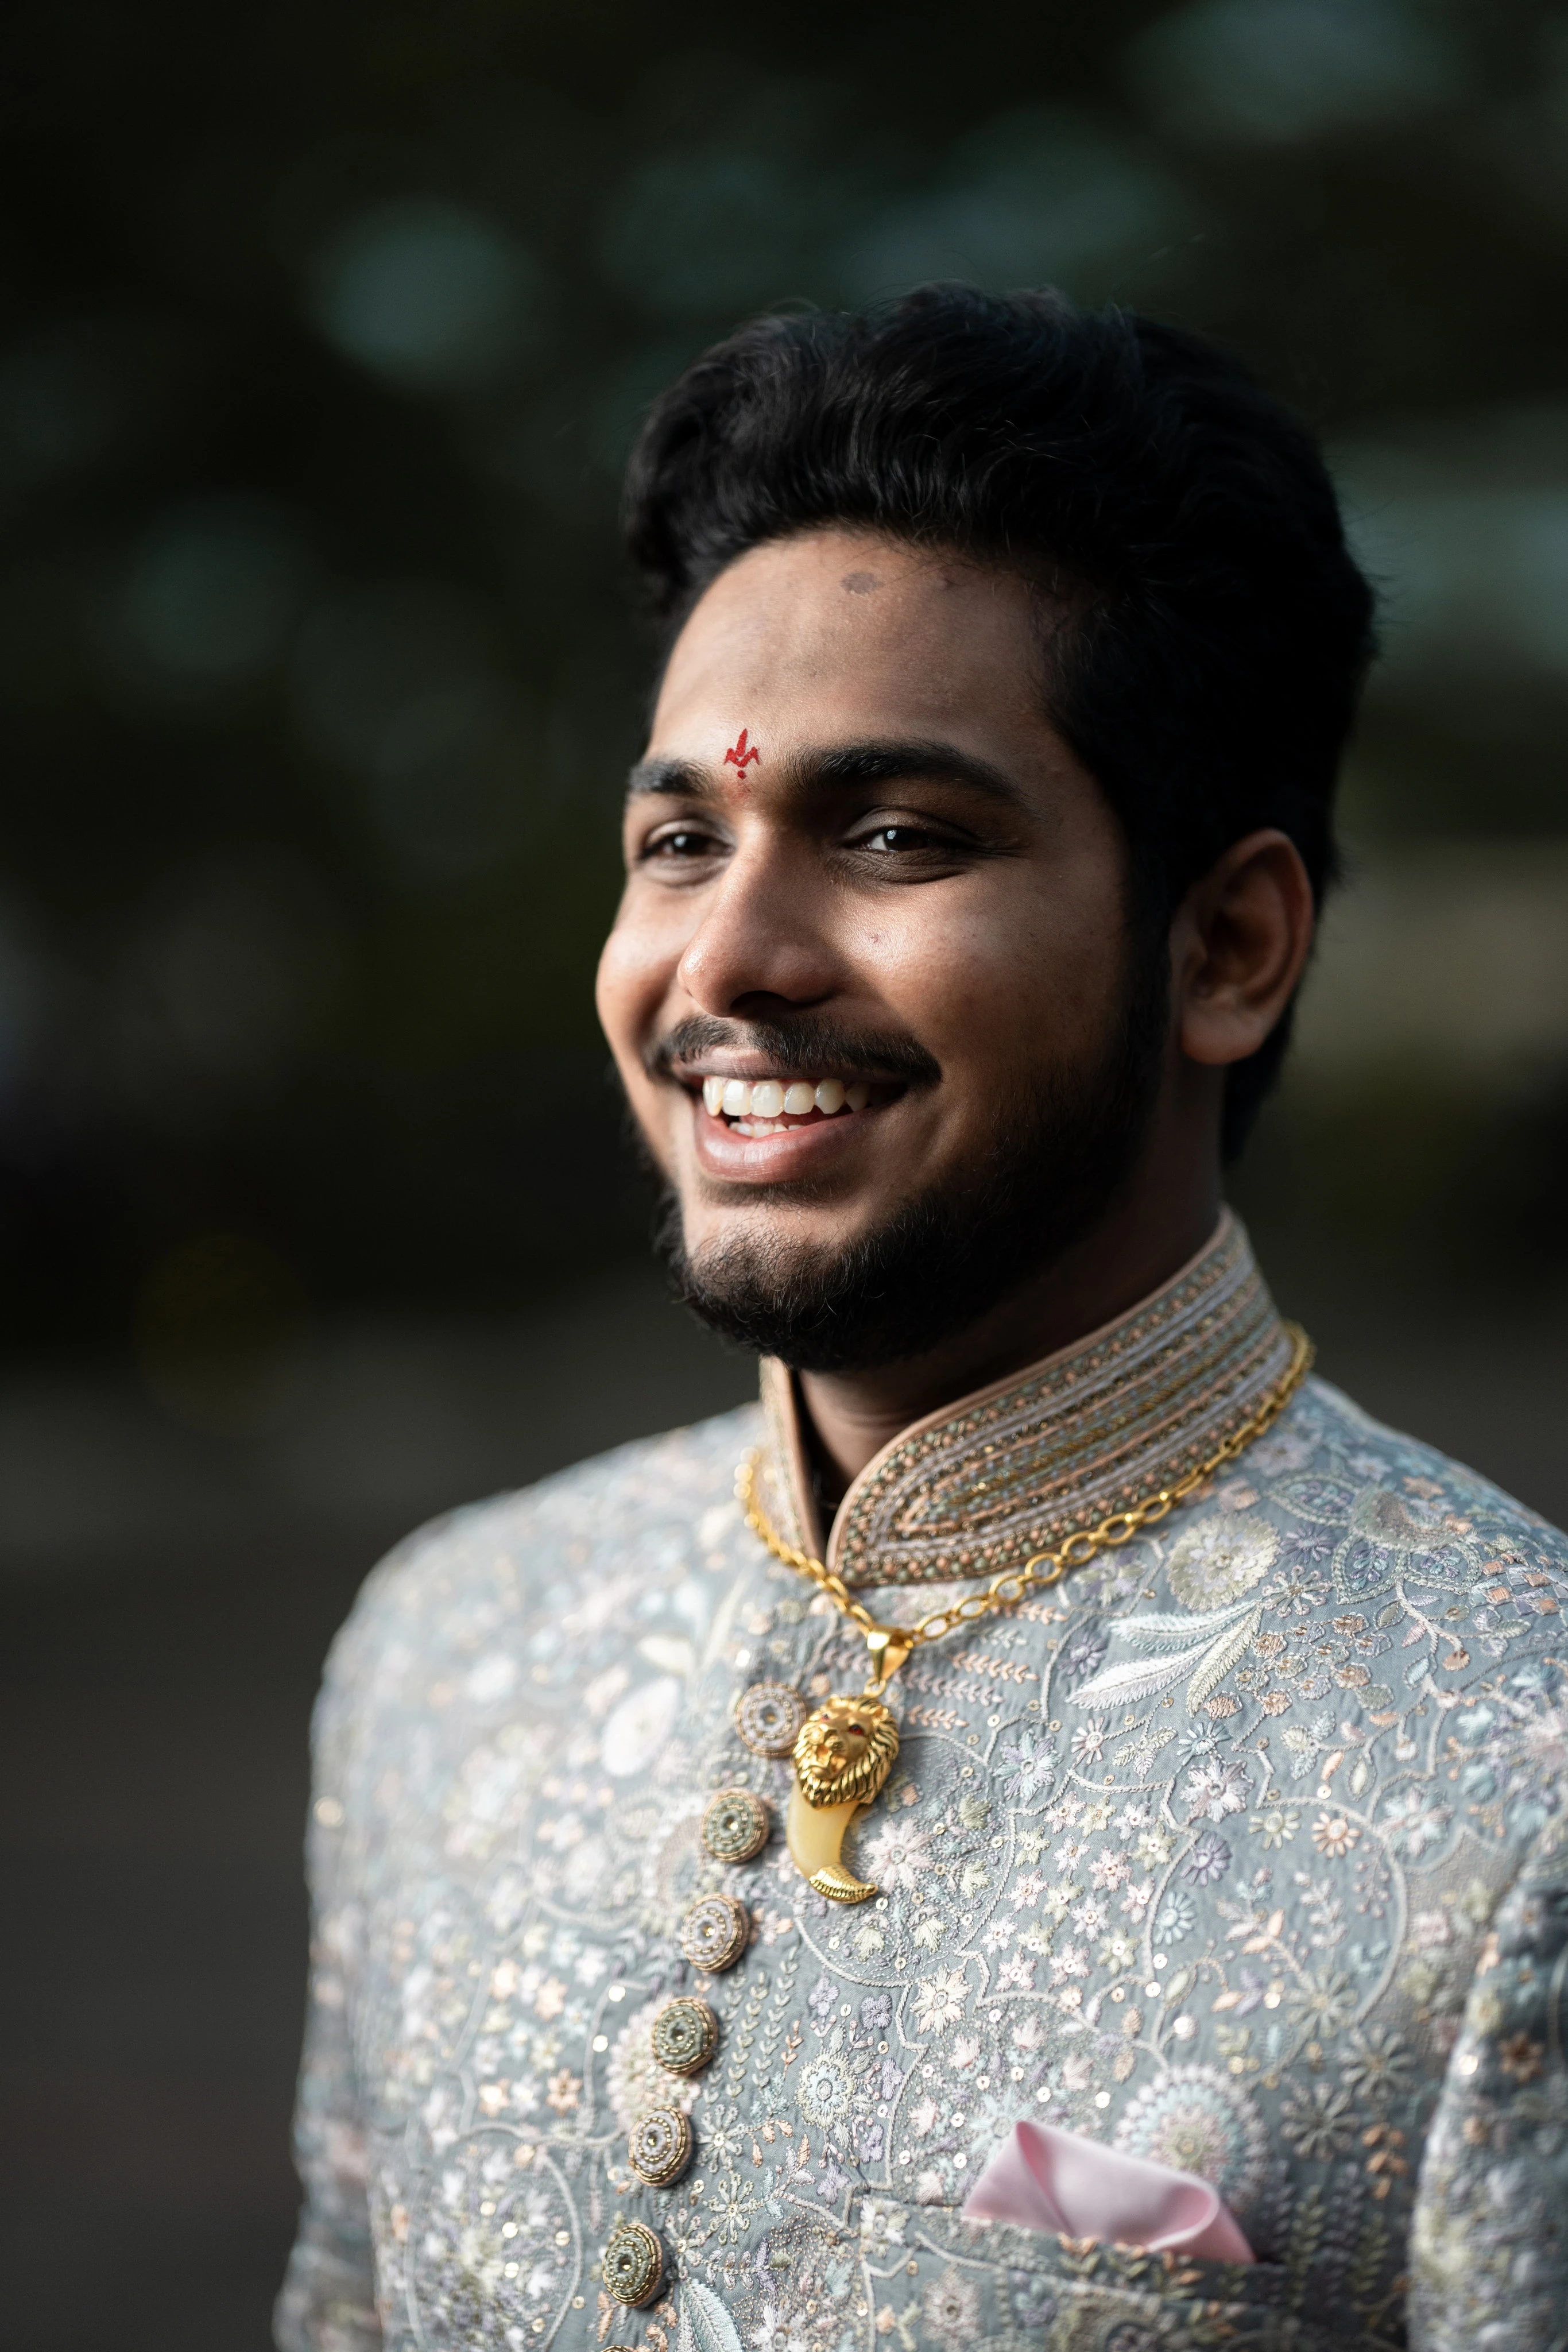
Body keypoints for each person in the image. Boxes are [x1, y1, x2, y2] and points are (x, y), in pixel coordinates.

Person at [276, 287, 1568, 2352]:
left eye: (897, 837)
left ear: (1225, 946)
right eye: (680, 838)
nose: (735, 956)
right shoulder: (454, 1651)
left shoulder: (1521, 1782)